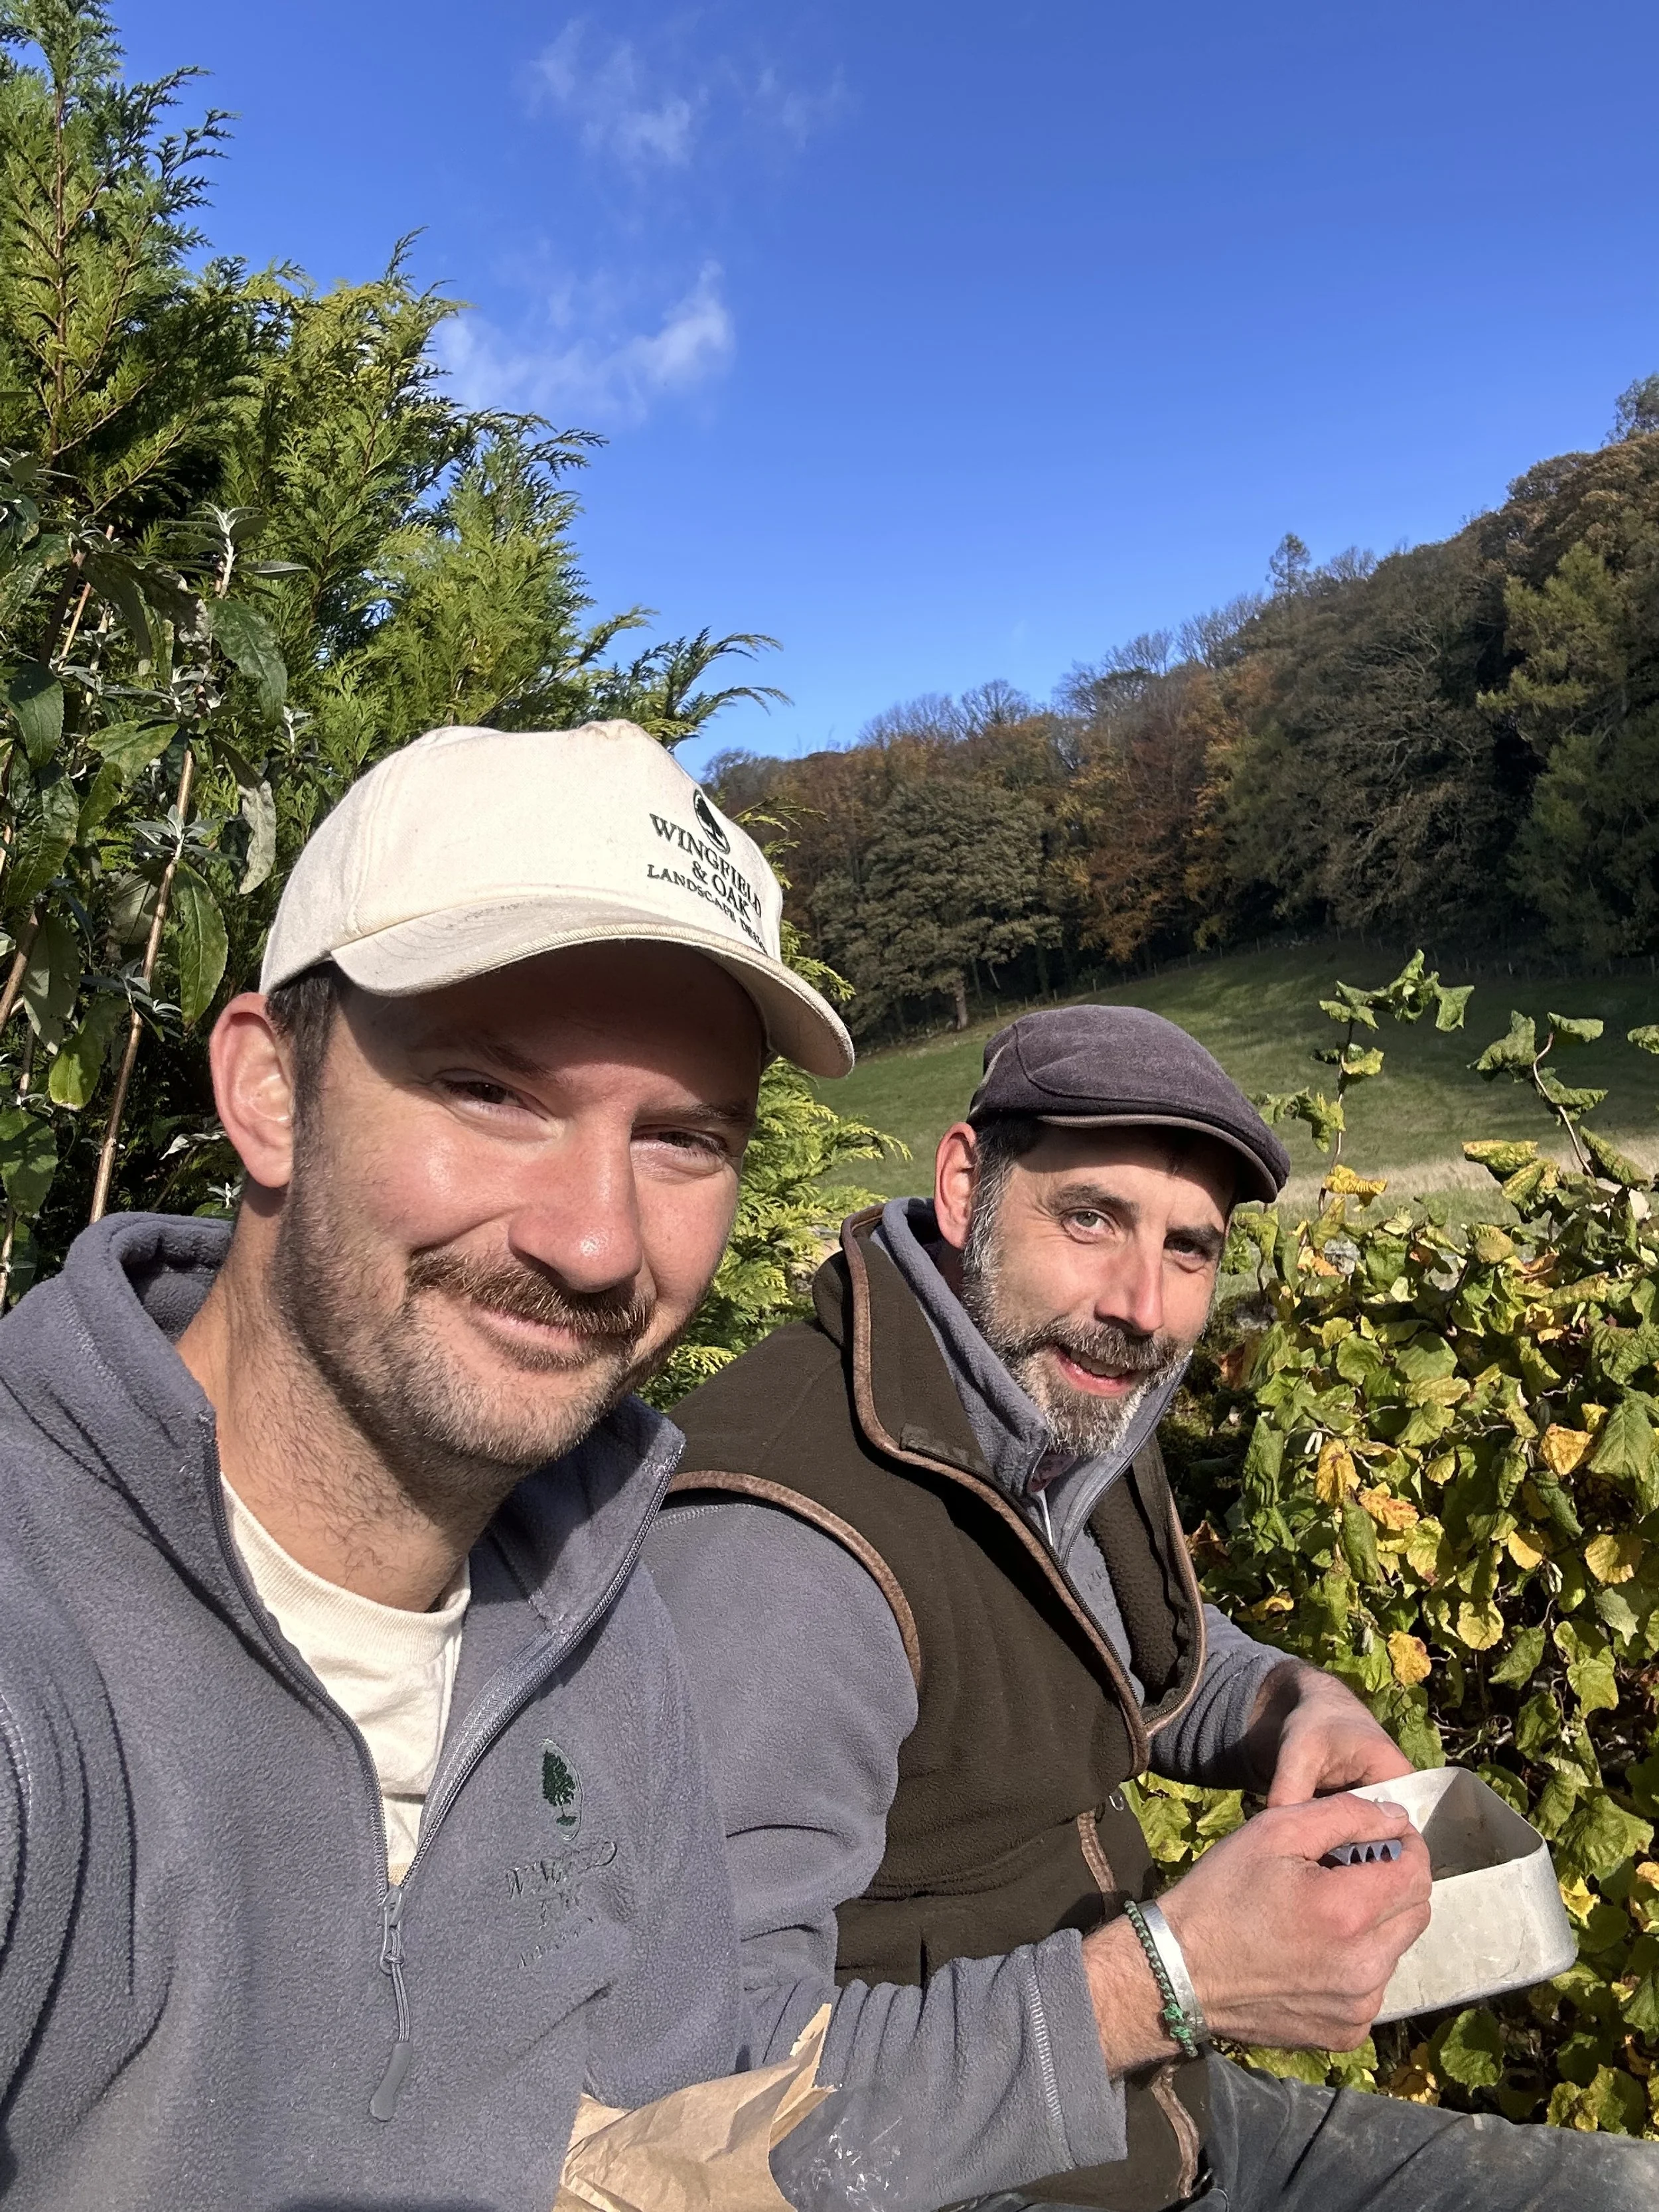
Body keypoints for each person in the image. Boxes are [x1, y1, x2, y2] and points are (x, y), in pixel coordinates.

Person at [0, 719, 858, 2212]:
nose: (593, 1239)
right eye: (490, 1093)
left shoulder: (600, 1609)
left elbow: (658, 2145)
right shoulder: (34, 1659)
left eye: (682, 1139)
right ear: (269, 1089)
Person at [648, 1003, 1656, 2211]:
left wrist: (1290, 1702)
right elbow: (717, 2107)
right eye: (1092, 1218)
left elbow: (1114, 1637)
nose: (1143, 1305)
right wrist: (1170, 1983)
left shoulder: (1038, 1399)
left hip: (1157, 2119)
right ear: (966, 1185)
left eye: (1192, 1249)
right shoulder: (783, 1557)